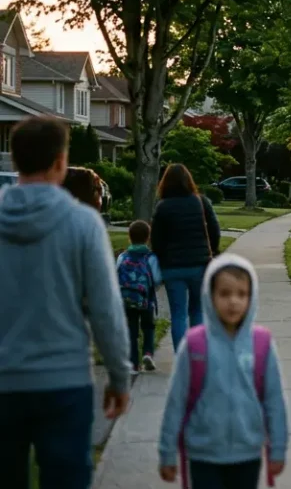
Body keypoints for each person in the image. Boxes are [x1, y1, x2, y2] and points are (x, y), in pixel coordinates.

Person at [0, 116, 132, 489]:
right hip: (63, 383)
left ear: (15, 161)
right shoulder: (83, 224)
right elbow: (106, 308)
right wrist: (119, 377)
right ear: (61, 162)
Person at [158, 255, 288, 489]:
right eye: (225, 293)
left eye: (241, 294)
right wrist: (167, 452)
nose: (233, 302)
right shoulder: (195, 344)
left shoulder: (261, 343)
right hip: (203, 454)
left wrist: (277, 448)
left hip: (247, 453)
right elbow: (176, 401)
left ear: (252, 297)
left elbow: (274, 400)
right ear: (210, 296)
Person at [152, 163, 222, 351]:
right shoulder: (201, 202)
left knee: (178, 314)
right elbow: (215, 230)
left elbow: (156, 240)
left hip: (172, 267)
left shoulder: (163, 207)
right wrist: (212, 251)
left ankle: (182, 359)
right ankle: (198, 356)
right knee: (198, 311)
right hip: (199, 265)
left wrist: (161, 258)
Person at [118, 220, 163, 372]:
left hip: (127, 300)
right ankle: (148, 353)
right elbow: (156, 279)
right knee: (148, 327)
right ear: (148, 238)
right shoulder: (151, 258)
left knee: (131, 330)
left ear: (129, 237)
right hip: (146, 300)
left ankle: (133, 363)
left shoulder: (123, 257)